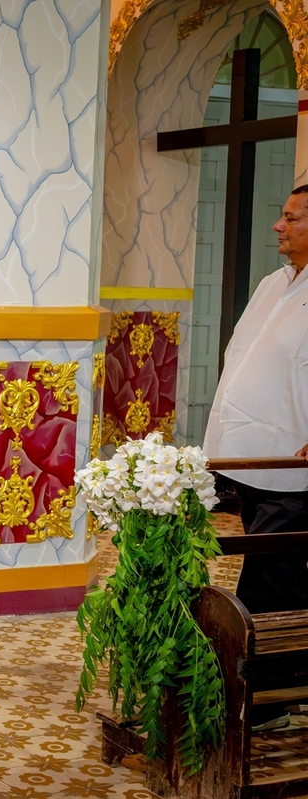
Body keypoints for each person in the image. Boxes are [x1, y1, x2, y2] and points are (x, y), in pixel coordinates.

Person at [204, 184, 308, 732]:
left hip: (295, 465)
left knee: (272, 577)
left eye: (290, 218)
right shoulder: (273, 282)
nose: (277, 226)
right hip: (247, 456)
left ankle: (271, 698)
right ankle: (278, 684)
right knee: (276, 572)